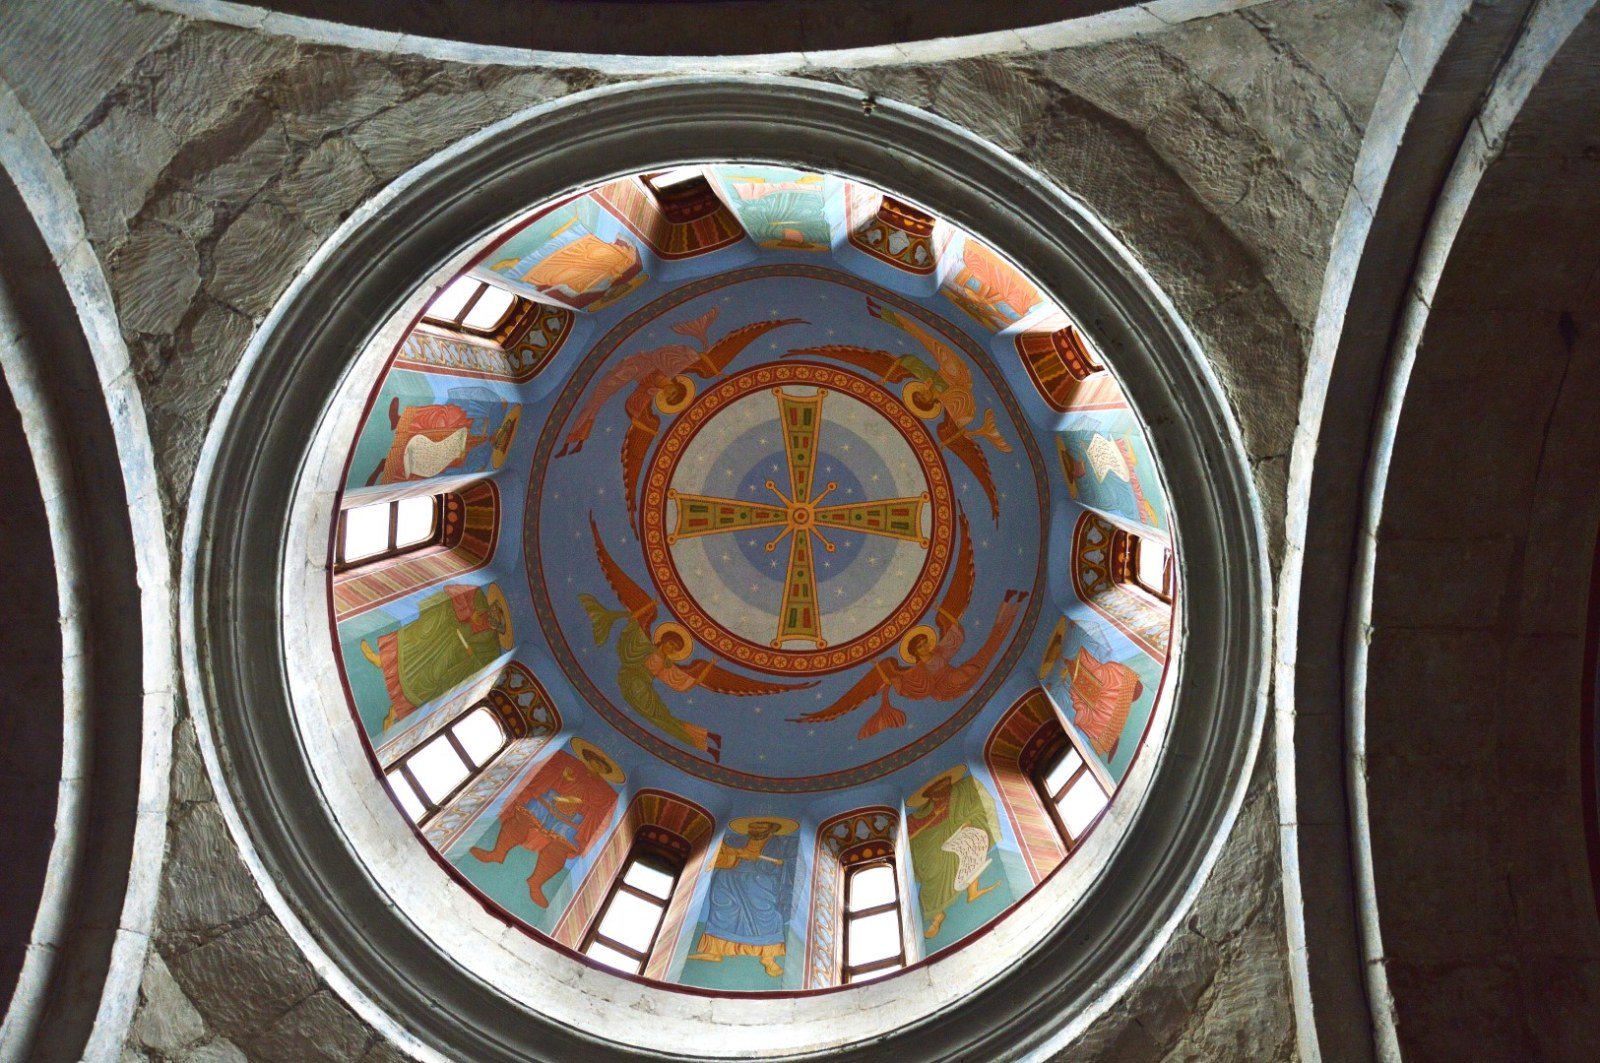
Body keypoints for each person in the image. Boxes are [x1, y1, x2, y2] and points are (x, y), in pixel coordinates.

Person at [468, 740, 623, 907]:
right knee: (521, 820)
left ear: (604, 771)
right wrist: (564, 777)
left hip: (571, 818)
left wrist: (584, 800)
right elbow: (551, 772)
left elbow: (601, 808)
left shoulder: (604, 790)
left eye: (601, 766)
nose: (596, 766)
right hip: (549, 801)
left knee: (560, 848)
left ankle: (535, 883)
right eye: (594, 761)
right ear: (588, 758)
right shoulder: (570, 763)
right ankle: (497, 854)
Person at [360, 583, 509, 730]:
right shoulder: (479, 600)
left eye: (494, 620)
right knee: (422, 632)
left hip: (455, 653)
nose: (490, 618)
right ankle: (382, 659)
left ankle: (395, 711)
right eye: (493, 612)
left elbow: (483, 667)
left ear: (498, 627)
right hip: (447, 630)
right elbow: (455, 592)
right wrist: (469, 613)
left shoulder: (492, 644)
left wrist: (470, 653)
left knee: (432, 676)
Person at [686, 818, 799, 977]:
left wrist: (781, 863)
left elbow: (795, 861)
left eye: (761, 827)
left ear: (772, 828)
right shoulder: (735, 839)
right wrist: (736, 853)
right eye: (754, 826)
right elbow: (717, 854)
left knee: (765, 915)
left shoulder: (783, 843)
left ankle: (768, 958)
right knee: (722, 913)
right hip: (729, 880)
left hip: (760, 881)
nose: (756, 829)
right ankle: (714, 951)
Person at [906, 766, 1001, 940]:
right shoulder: (919, 814)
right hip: (932, 842)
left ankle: (972, 890)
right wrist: (934, 816)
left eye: (944, 787)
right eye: (936, 792)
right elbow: (908, 836)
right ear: (929, 796)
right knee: (932, 864)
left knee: (970, 839)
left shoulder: (965, 789)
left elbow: (981, 804)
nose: (941, 792)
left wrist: (968, 820)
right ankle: (937, 915)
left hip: (962, 829)